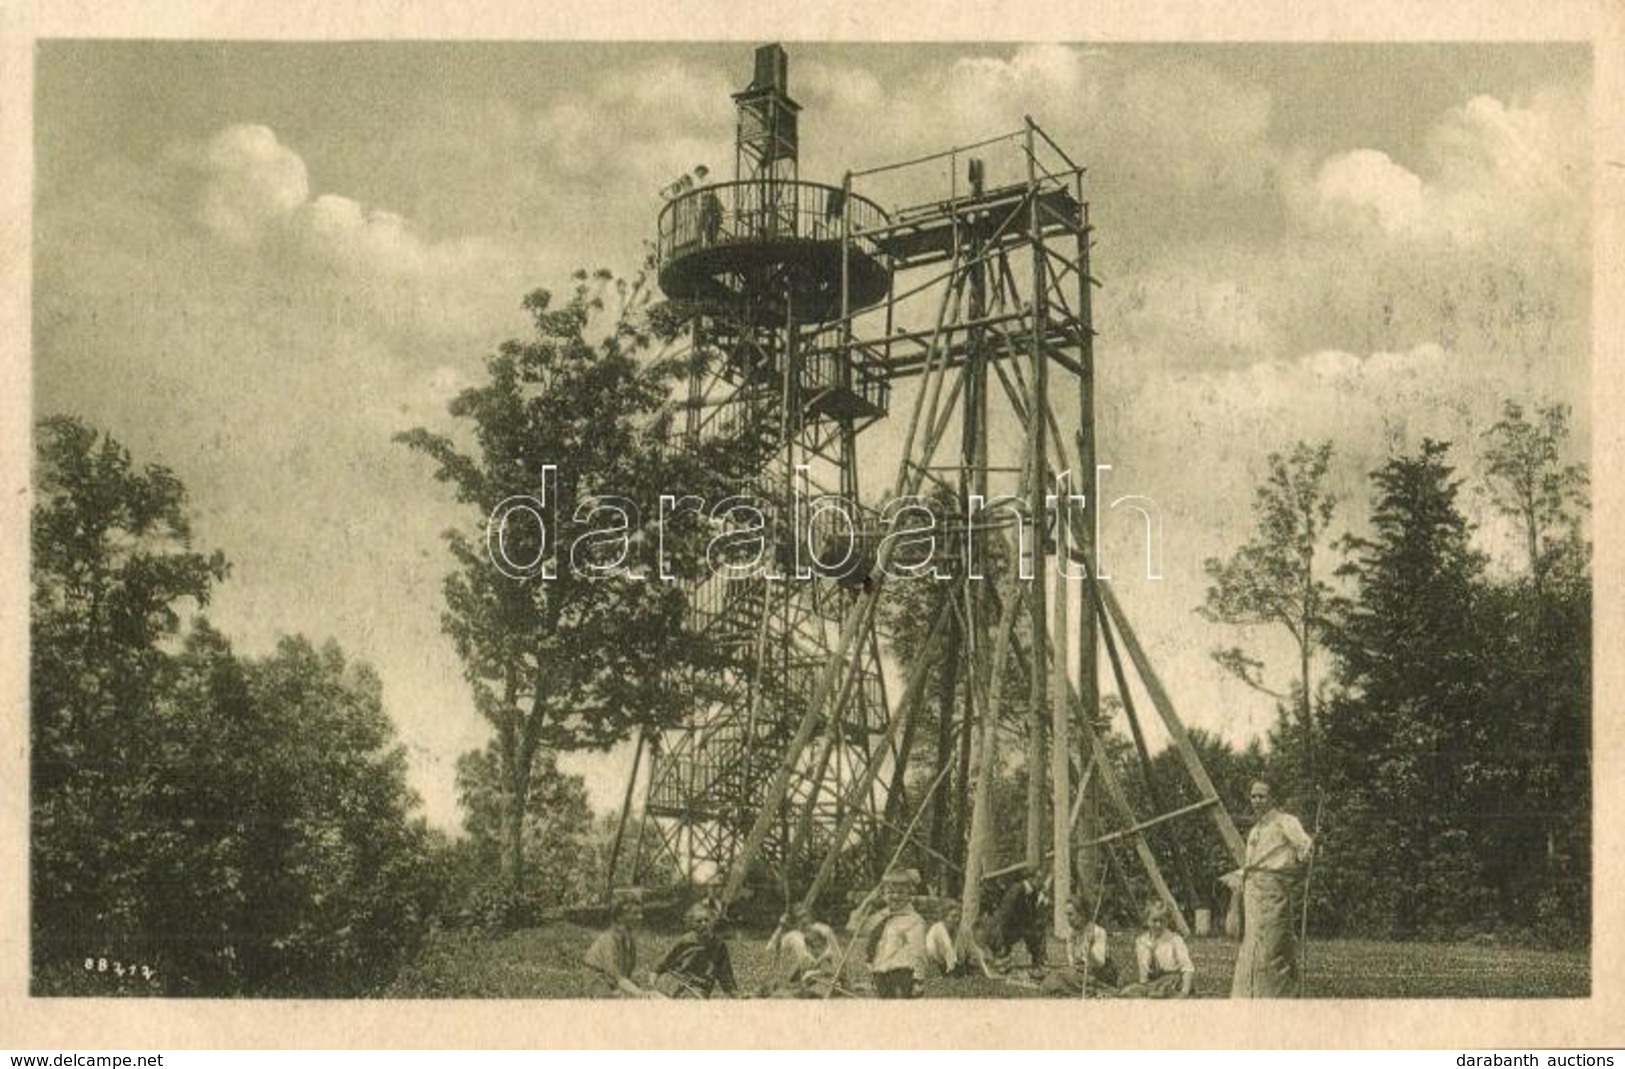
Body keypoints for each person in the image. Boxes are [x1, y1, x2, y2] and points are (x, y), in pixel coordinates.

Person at [1226, 779, 1313, 998]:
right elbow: (1251, 863)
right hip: (1252, 892)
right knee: (1251, 944)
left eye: (1262, 796)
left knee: (1273, 945)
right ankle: (1249, 995)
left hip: (1274, 890)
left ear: (1272, 798)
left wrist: (1302, 862)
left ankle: (1276, 994)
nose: (1257, 800)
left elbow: (1305, 847)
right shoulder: (1255, 830)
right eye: (1253, 796)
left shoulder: (1286, 822)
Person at [852, 867, 929, 998]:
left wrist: (919, 980)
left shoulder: (914, 920)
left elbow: (919, 952)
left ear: (909, 895)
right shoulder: (881, 916)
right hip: (880, 972)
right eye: (890, 892)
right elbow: (854, 929)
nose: (896, 896)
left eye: (901, 892)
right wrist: (865, 904)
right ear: (883, 895)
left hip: (903, 974)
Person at [651, 902, 738, 998]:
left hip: (698, 988)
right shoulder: (685, 941)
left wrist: (733, 993)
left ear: (713, 921)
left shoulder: (719, 946)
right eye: (699, 921)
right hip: (677, 980)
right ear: (691, 924)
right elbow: (663, 962)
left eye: (706, 920)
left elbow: (726, 975)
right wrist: (652, 982)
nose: (703, 924)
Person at [1040, 898, 1120, 996]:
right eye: (1066, 915)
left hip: (1098, 975)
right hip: (1079, 974)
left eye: (1070, 914)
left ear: (1082, 914)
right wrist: (1073, 966)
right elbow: (1072, 961)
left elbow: (1100, 964)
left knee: (1058, 978)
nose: (1068, 918)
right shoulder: (1072, 933)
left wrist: (1090, 952)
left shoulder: (1098, 932)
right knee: (1055, 977)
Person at [1119, 900, 1194, 999]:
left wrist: (1184, 992)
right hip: (1151, 983)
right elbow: (1143, 971)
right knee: (1125, 993)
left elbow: (1187, 968)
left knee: (1161, 994)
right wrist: (1143, 986)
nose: (1158, 925)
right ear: (1147, 920)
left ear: (1167, 921)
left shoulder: (1175, 940)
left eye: (1162, 921)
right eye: (1154, 920)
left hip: (1171, 981)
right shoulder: (1141, 941)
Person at [583, 899, 649, 998]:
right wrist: (638, 992)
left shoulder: (629, 940)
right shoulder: (609, 939)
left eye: (640, 913)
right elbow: (614, 974)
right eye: (634, 913)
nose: (641, 917)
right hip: (598, 981)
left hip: (617, 983)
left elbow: (626, 974)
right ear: (619, 918)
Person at [990, 864, 1048, 971]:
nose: (1041, 882)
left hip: (1020, 927)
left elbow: (1032, 914)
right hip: (1007, 927)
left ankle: (1038, 961)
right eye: (1039, 878)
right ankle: (1001, 957)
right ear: (1030, 879)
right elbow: (1005, 914)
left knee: (1038, 930)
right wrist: (1001, 936)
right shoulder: (1016, 890)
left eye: (1042, 879)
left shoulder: (1033, 892)